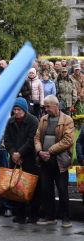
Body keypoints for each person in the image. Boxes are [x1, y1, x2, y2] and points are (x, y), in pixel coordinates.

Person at [34, 95, 74, 228]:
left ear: (56, 106)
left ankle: (66, 218)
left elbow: (68, 140)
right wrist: (40, 152)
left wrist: (49, 151)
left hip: (60, 161)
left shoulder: (67, 120)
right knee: (46, 189)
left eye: (47, 106)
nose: (45, 109)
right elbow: (37, 137)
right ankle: (50, 216)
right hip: (45, 161)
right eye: (44, 106)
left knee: (63, 190)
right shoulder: (43, 119)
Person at [3, 97, 40, 224]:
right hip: (15, 158)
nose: (16, 111)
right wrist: (13, 153)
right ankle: (20, 214)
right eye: (14, 109)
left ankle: (34, 214)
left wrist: (20, 153)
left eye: (18, 109)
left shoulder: (33, 121)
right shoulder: (10, 122)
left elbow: (31, 140)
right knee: (17, 186)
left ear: (24, 109)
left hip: (29, 158)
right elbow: (7, 140)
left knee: (32, 186)